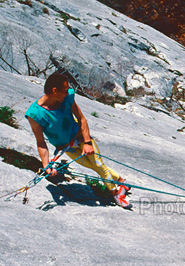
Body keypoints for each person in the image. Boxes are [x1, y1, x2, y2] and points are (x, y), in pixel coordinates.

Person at [25, 73, 132, 209]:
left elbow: (81, 118)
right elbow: (40, 142)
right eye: (65, 90)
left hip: (80, 137)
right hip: (65, 147)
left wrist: (87, 142)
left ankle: (115, 194)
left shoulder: (67, 97)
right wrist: (47, 165)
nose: (68, 92)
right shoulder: (35, 115)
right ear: (54, 91)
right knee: (93, 165)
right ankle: (121, 181)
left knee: (98, 164)